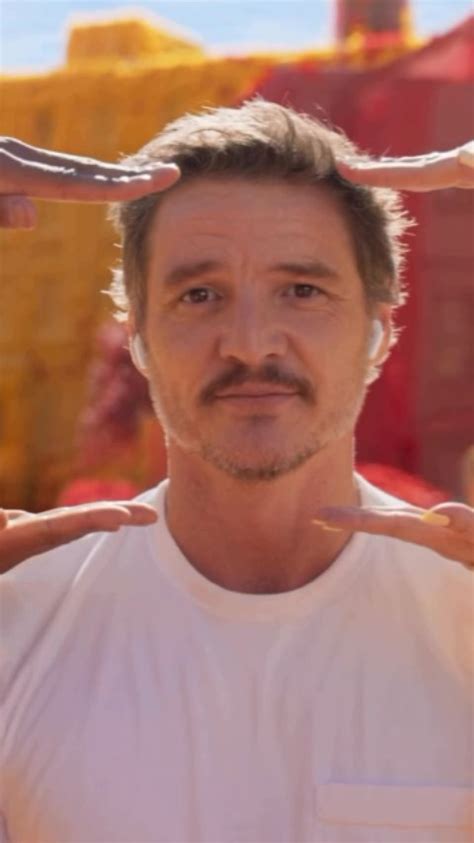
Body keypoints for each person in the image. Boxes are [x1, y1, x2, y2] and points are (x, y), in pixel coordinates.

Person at [0, 107, 473, 842]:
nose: (250, 344)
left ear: (380, 330)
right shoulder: (20, 620)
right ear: (138, 337)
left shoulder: (463, 616)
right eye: (199, 295)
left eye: (302, 290)